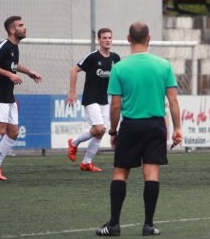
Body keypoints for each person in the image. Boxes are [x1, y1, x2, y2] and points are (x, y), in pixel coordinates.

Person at [96, 22, 182, 236]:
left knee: (120, 173)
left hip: (131, 125)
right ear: (149, 38)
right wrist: (177, 128)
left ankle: (114, 225)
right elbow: (173, 100)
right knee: (151, 173)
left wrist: (113, 131)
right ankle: (148, 225)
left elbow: (115, 105)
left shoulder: (119, 67)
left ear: (127, 39)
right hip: (155, 126)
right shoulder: (163, 65)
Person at [0, 16, 42, 180]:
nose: (25, 27)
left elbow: (14, 65)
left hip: (9, 95)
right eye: (21, 25)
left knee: (13, 132)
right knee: (0, 130)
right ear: (12, 30)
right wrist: (9, 75)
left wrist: (29, 72)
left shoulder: (15, 48)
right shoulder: (4, 46)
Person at [66, 28, 121, 172]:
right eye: (104, 38)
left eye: (109, 37)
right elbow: (74, 71)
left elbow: (120, 77)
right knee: (99, 128)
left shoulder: (116, 58)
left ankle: (86, 163)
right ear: (99, 40)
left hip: (106, 99)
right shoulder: (92, 57)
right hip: (91, 98)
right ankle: (74, 142)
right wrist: (72, 92)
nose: (107, 40)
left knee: (101, 132)